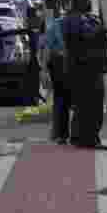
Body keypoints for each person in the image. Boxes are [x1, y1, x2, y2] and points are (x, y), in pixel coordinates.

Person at [62, 0, 107, 149]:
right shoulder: (75, 20)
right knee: (91, 105)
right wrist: (99, 29)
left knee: (83, 105)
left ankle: (81, 137)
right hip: (86, 69)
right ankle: (88, 138)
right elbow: (87, 35)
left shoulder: (79, 19)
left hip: (84, 67)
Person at [43, 11, 72, 144]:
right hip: (77, 65)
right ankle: (77, 134)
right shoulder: (82, 23)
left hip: (59, 66)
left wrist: (44, 69)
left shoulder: (56, 24)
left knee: (60, 99)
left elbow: (48, 48)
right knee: (77, 101)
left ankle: (60, 133)